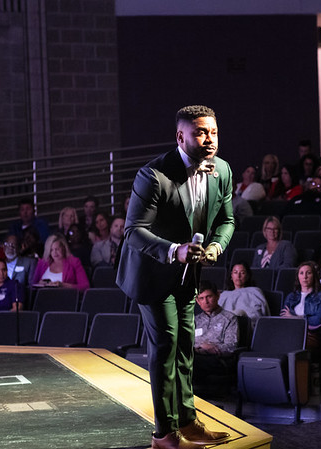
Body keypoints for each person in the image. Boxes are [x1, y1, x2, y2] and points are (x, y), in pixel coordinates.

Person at [116, 105, 233, 448]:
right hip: (152, 272)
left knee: (185, 347)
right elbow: (133, 231)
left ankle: (189, 421)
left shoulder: (222, 170)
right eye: (200, 132)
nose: (209, 139)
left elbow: (227, 220)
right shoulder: (152, 175)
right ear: (181, 136)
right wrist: (174, 250)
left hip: (188, 273)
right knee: (165, 347)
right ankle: (164, 434)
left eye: (212, 131)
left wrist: (215, 248)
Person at [193, 281, 239, 379]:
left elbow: (231, 347)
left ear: (217, 295)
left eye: (209, 296)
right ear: (197, 301)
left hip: (218, 360)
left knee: (190, 363)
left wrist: (209, 350)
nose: (206, 302)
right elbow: (187, 343)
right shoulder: (195, 320)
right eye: (201, 298)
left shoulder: (230, 318)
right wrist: (202, 346)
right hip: (196, 356)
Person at [281, 261, 321, 348]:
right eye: (301, 273)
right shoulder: (291, 296)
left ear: (314, 276)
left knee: (294, 343)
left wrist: (294, 317)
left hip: (311, 334)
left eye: (309, 273)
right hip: (291, 331)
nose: (305, 277)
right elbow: (283, 317)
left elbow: (318, 320)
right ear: (298, 277)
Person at [218, 261, 269, 328]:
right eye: (235, 272)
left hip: (248, 325)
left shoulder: (255, 291)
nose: (238, 276)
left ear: (247, 276)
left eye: (242, 273)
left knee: (238, 313)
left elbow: (262, 313)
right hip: (224, 326)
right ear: (231, 276)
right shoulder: (224, 294)